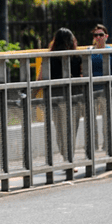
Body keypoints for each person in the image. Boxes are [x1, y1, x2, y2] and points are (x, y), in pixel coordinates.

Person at [39, 28, 83, 162]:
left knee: (59, 129)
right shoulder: (77, 57)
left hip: (55, 97)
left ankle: (66, 156)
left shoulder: (49, 58)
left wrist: (32, 95)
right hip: (75, 96)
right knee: (72, 129)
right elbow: (83, 76)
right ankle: (70, 157)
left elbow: (41, 78)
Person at [89, 24, 112, 152]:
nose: (98, 37)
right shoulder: (89, 51)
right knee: (91, 118)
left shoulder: (111, 51)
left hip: (107, 89)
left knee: (107, 117)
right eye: (96, 35)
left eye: (101, 35)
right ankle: (93, 144)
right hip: (92, 89)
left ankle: (107, 143)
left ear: (106, 36)